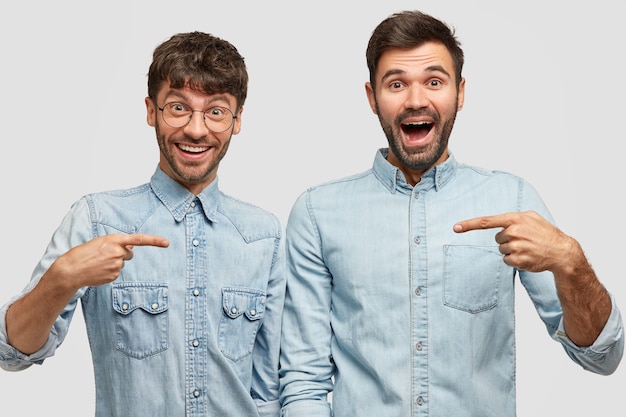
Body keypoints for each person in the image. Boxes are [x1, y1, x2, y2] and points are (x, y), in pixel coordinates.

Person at [278, 10, 624, 417]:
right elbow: (303, 380)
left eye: (434, 81)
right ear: (372, 98)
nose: (416, 100)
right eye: (396, 84)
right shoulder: (318, 214)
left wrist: (572, 262)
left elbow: (601, 358)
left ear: (460, 93)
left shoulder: (511, 199)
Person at [0, 31, 285, 417]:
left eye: (215, 111)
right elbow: (12, 353)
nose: (197, 130)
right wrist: (62, 276)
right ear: (151, 111)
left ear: (236, 121)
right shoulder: (98, 219)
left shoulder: (263, 235)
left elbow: (269, 390)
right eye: (178, 107)